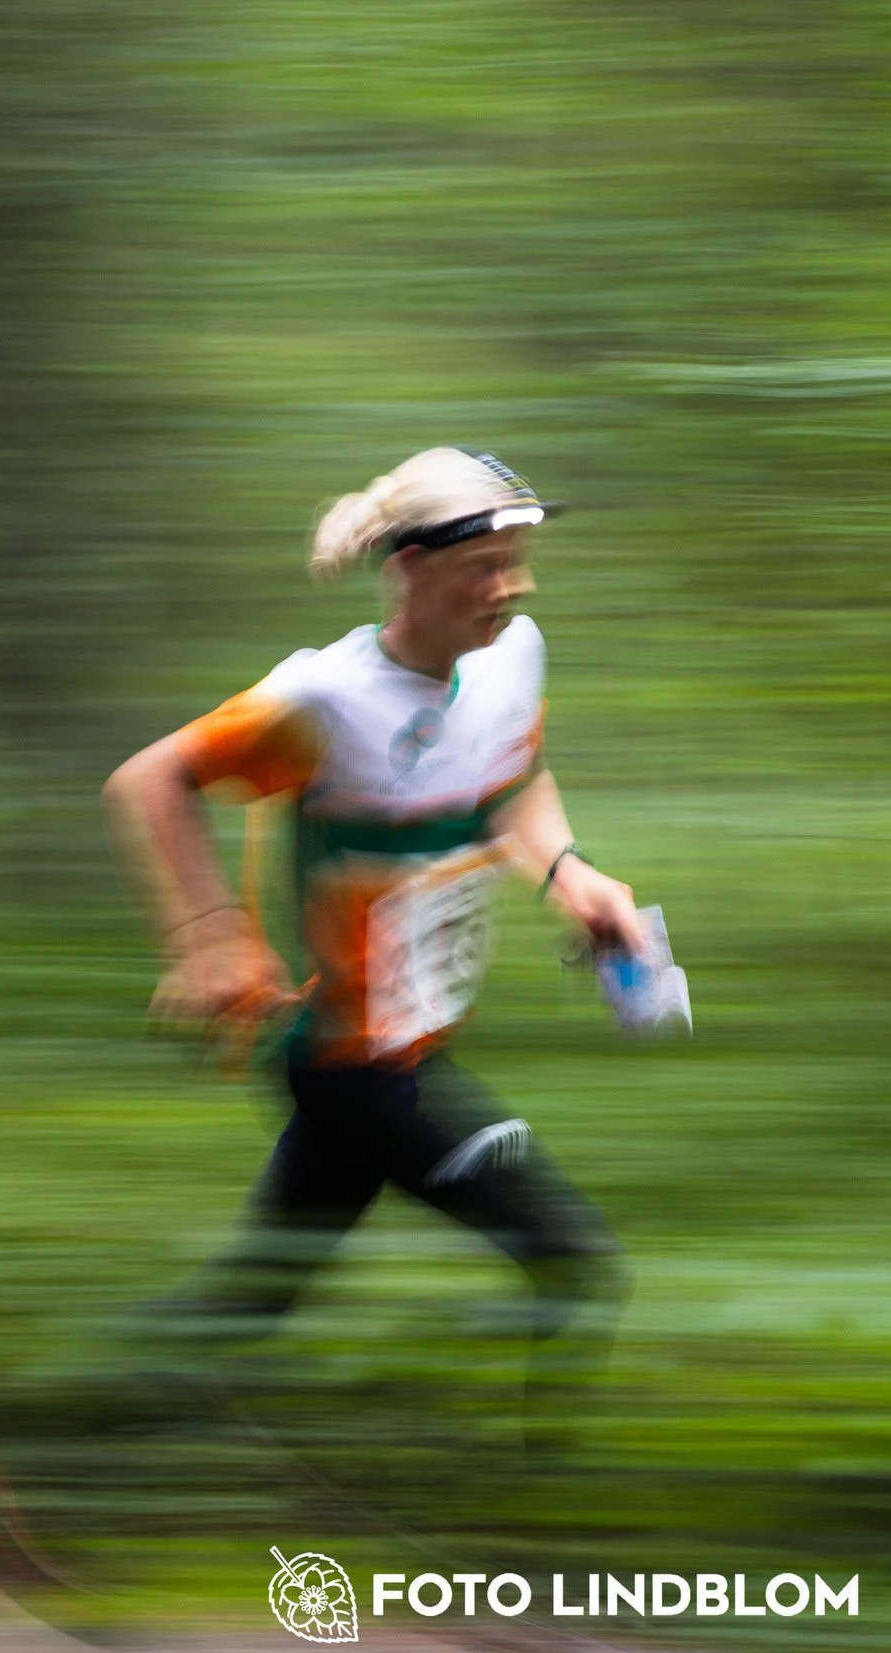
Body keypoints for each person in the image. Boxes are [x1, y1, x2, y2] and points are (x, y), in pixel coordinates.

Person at [101, 446, 636, 1432]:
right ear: (409, 567)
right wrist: (211, 939)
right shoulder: (322, 701)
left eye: (519, 560)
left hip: (407, 1048)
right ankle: (515, 1521)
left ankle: (49, 1436)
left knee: (252, 1298)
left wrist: (570, 874)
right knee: (573, 1262)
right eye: (485, 565)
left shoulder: (511, 658)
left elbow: (513, 790)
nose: (510, 586)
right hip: (352, 1060)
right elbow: (148, 781)